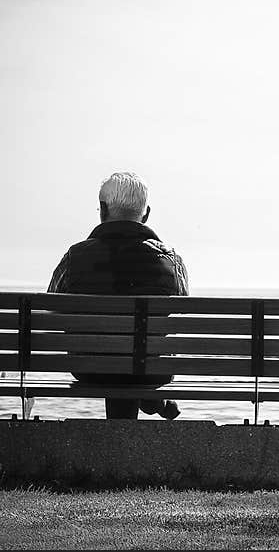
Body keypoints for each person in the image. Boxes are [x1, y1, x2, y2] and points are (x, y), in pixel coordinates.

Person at [48, 172, 189, 419]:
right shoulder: (170, 260)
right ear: (145, 214)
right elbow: (181, 312)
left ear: (103, 210)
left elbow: (50, 310)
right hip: (152, 369)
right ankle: (151, 398)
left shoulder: (75, 257)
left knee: (118, 359)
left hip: (89, 367)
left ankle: (147, 403)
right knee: (138, 359)